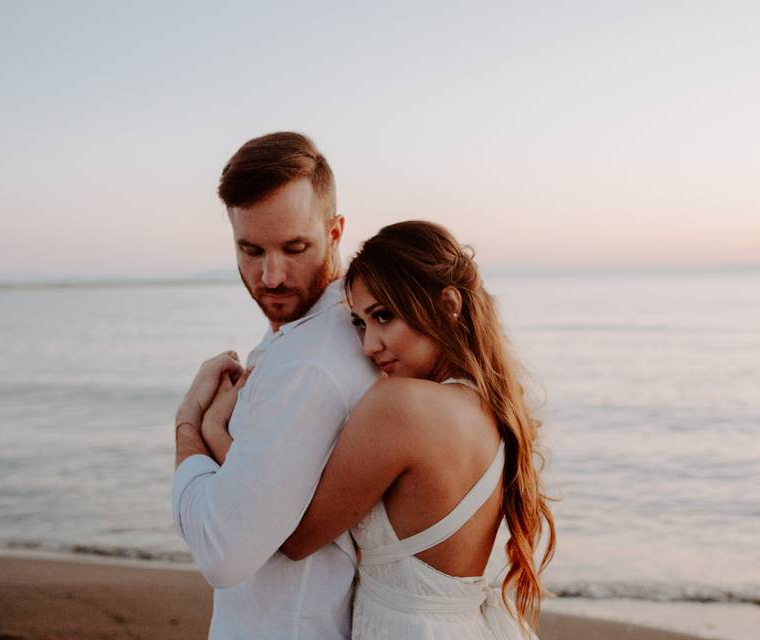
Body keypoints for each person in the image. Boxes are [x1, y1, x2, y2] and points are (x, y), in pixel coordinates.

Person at [199, 221, 557, 638]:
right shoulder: (495, 406)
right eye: (359, 323)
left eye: (383, 316)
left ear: (448, 304)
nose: (369, 345)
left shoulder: (401, 406)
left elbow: (292, 536)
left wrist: (211, 430)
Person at [172, 131, 380, 639]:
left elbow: (222, 553)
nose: (270, 276)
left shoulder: (312, 363)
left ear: (336, 232)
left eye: (295, 248)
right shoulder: (310, 340)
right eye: (250, 249)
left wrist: (187, 428)